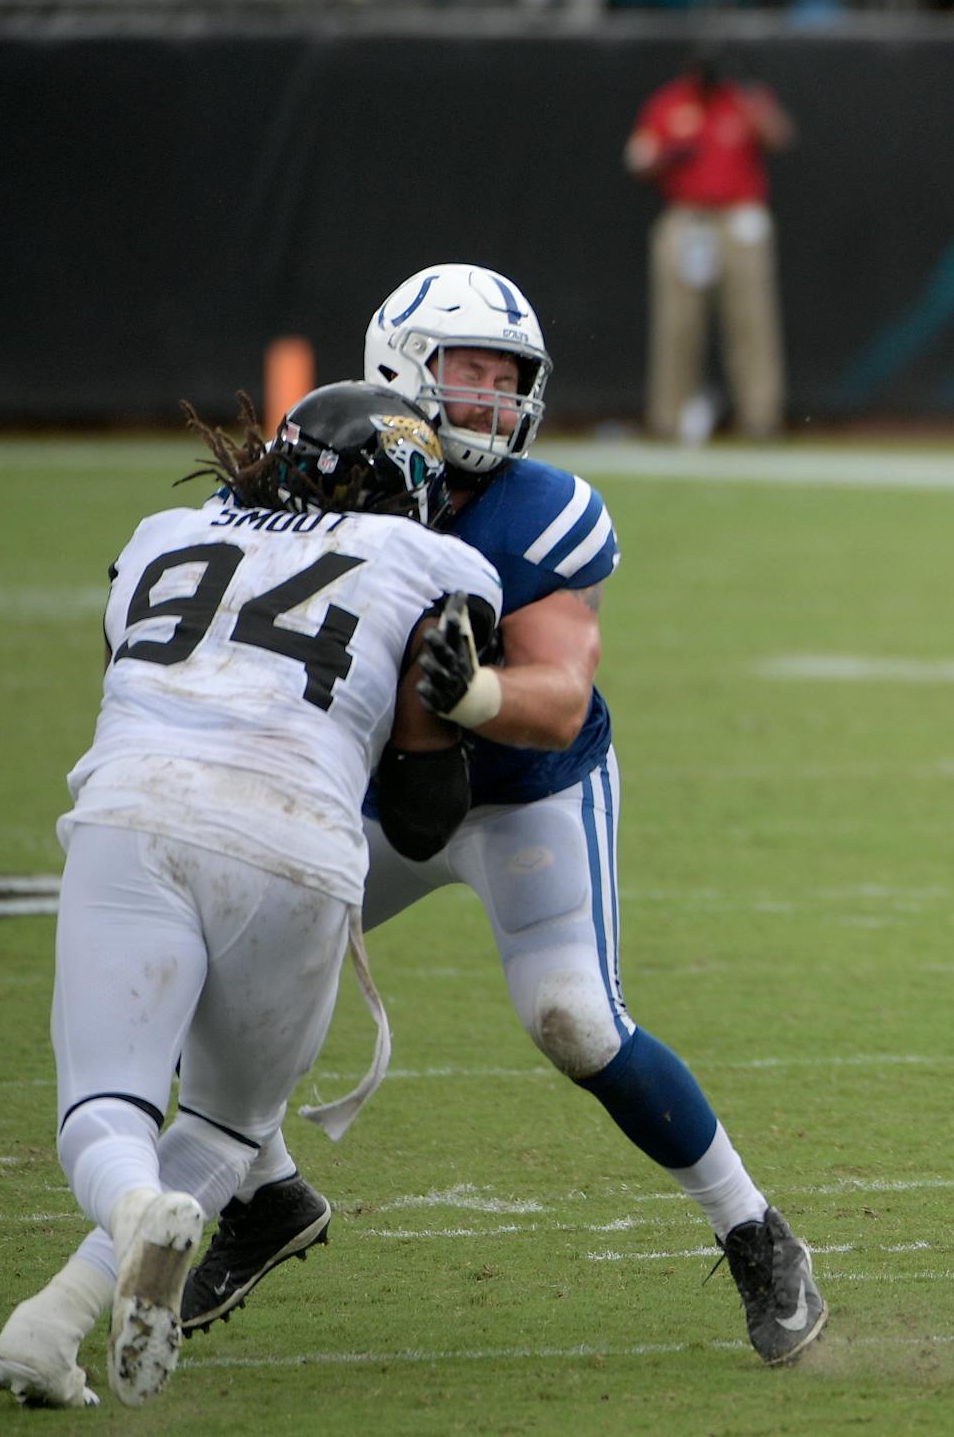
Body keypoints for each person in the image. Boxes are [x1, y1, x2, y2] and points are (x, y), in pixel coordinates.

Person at [179, 263, 827, 1366]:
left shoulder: (538, 511)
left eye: (507, 377)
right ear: (402, 369)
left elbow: (561, 693)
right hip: (369, 794)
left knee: (573, 1018)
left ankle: (753, 1229)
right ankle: (267, 1193)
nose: (489, 398)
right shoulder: (323, 478)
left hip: (530, 791)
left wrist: (471, 695)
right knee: (206, 958)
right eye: (468, 371)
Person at [0, 383, 499, 1408]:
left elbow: (126, 679)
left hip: (136, 809)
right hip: (295, 845)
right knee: (225, 1126)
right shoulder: (437, 566)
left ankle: (128, 1218)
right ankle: (50, 1326)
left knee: (105, 1108)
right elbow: (422, 814)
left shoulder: (161, 534)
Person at [625, 53, 794, 443]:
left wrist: (755, 106)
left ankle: (760, 418)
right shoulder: (668, 103)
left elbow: (780, 138)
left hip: (738, 219)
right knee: (679, 324)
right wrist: (668, 155)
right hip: (687, 217)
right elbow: (638, 160)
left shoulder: (744, 99)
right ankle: (669, 419)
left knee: (750, 321)